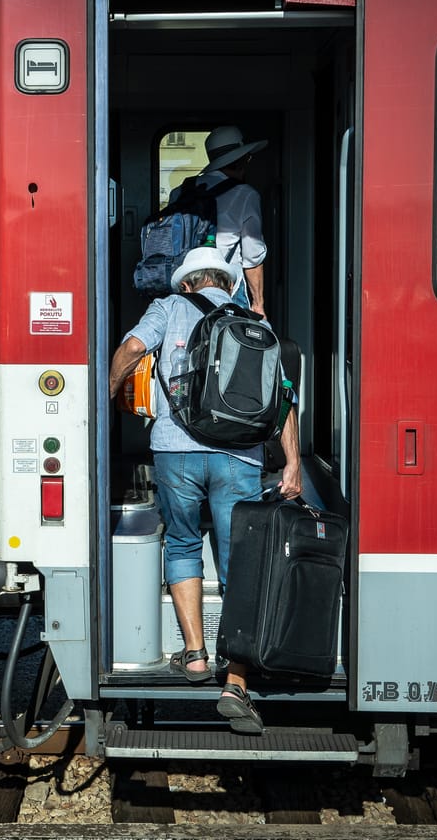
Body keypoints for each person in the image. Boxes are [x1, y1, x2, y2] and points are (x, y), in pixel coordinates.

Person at [109, 245, 301, 735]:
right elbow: (282, 399)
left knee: (182, 542)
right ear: (226, 280)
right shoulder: (251, 321)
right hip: (239, 455)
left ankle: (194, 655)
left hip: (176, 451)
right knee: (241, 558)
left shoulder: (167, 308)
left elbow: (132, 350)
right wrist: (294, 463)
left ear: (187, 282)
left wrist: (105, 394)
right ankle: (234, 681)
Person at [170, 125, 268, 318]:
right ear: (240, 161)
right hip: (227, 288)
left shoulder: (180, 192)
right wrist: (258, 304)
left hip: (185, 285)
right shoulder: (246, 195)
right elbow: (252, 256)